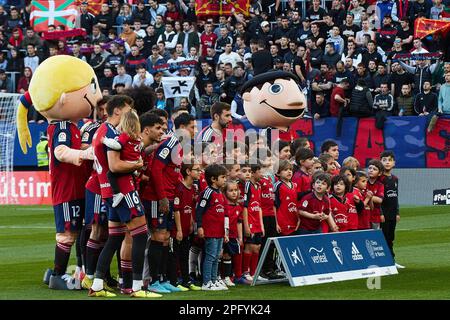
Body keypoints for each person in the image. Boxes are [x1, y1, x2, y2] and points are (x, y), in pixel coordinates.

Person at [89, 96, 161, 298]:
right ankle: (138, 288)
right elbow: (114, 166)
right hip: (123, 190)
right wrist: (137, 165)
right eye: (129, 109)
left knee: (115, 237)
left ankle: (96, 285)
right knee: (140, 234)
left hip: (110, 191)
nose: (131, 114)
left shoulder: (103, 131)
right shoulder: (111, 132)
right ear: (118, 111)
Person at [167, 163, 202, 291]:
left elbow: (191, 207)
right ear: (188, 171)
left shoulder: (192, 188)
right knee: (174, 255)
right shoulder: (179, 188)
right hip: (178, 229)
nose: (200, 172)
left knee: (184, 255)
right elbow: (176, 210)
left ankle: (186, 280)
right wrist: (179, 230)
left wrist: (192, 221)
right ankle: (174, 281)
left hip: (188, 228)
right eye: (197, 170)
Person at [196, 164, 229, 291]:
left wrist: (225, 232)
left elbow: (224, 214)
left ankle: (214, 280)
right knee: (210, 256)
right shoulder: (207, 193)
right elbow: (199, 210)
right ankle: (206, 282)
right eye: (222, 177)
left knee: (216, 257)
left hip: (219, 231)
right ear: (213, 179)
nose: (225, 179)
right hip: (210, 231)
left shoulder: (220, 193)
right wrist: (199, 226)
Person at [379, 151, 404, 268]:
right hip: (383, 214)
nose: (387, 162)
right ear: (380, 162)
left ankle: (391, 260)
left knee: (391, 237)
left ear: (394, 163)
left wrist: (397, 212)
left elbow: (396, 196)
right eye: (384, 160)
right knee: (384, 237)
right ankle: (387, 261)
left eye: (389, 160)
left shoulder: (395, 179)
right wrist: (380, 213)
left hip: (393, 214)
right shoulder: (380, 179)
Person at [242, 163, 265, 282]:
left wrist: (261, 225)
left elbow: (259, 206)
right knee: (249, 247)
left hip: (257, 222)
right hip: (250, 221)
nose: (262, 174)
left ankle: (254, 272)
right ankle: (245, 272)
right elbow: (245, 207)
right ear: (254, 172)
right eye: (260, 172)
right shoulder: (247, 186)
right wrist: (246, 226)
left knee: (257, 247)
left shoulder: (259, 186)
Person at [223, 180, 244, 286]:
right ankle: (220, 277)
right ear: (225, 192)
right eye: (231, 190)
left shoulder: (238, 207)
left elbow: (239, 223)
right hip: (223, 235)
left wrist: (240, 237)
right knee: (222, 255)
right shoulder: (223, 206)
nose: (234, 193)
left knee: (229, 256)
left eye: (236, 190)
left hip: (233, 236)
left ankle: (228, 277)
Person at [274, 160, 299, 236]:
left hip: (294, 222)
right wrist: (276, 223)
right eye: (285, 170)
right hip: (282, 223)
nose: (289, 172)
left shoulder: (295, 185)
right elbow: (274, 206)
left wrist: (299, 219)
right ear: (278, 173)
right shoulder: (277, 186)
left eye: (290, 170)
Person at [367, 160, 385, 230]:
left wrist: (367, 196)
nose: (371, 170)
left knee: (374, 237)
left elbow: (379, 200)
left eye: (374, 169)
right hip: (364, 215)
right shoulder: (363, 182)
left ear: (379, 173)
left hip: (375, 216)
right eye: (370, 168)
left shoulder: (380, 185)